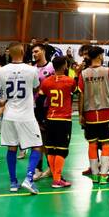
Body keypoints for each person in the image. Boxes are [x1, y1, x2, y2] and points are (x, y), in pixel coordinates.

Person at [0, 44, 43, 195]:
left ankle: (13, 182)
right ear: (23, 52)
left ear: (9, 53)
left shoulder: (2, 71)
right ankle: (29, 178)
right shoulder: (32, 70)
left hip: (9, 116)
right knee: (37, 146)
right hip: (26, 116)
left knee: (12, 148)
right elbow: (36, 87)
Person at [78, 46, 109, 185]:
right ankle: (104, 175)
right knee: (106, 144)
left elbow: (81, 95)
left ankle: (95, 175)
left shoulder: (83, 73)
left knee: (92, 144)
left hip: (89, 114)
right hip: (105, 113)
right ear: (100, 56)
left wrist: (80, 115)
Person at [39, 56, 78, 188]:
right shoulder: (69, 81)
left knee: (51, 150)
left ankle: (56, 177)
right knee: (61, 150)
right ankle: (57, 180)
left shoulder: (46, 82)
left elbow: (41, 97)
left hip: (50, 118)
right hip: (63, 120)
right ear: (64, 66)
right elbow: (75, 91)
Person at [32, 43, 55, 181]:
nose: (34, 54)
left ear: (43, 51)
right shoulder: (31, 69)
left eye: (36, 51)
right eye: (33, 52)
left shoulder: (51, 67)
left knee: (48, 140)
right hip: (35, 108)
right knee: (36, 139)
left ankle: (52, 168)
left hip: (49, 108)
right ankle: (37, 168)